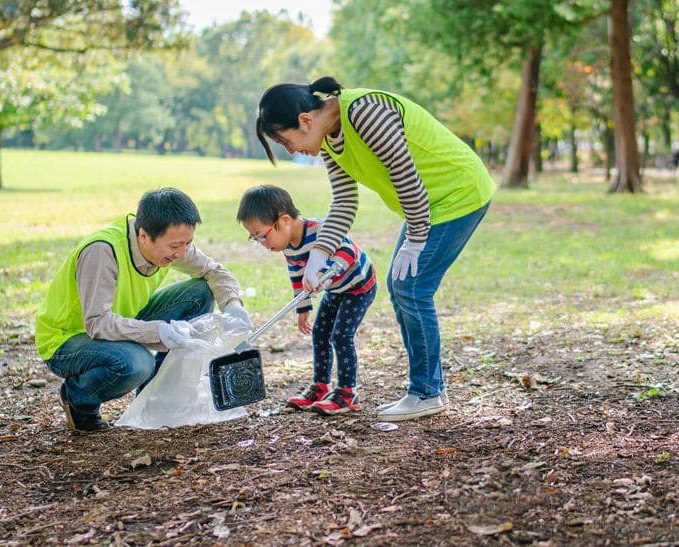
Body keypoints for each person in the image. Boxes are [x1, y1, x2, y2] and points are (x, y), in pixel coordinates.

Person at [255, 77, 494, 422]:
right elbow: (344, 202)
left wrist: (415, 237)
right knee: (403, 290)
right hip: (428, 205)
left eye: (285, 140)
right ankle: (429, 387)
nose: (290, 150)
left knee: (411, 288)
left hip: (457, 193)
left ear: (305, 121)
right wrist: (319, 255)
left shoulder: (365, 113)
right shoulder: (329, 140)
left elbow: (405, 177)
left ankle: (426, 392)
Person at [34, 188, 252, 432]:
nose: (181, 253)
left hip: (121, 320)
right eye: (175, 246)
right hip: (68, 339)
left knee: (200, 291)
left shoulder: (168, 244)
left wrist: (233, 305)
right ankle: (78, 399)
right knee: (136, 364)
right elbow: (97, 323)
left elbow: (214, 271)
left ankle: (156, 396)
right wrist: (156, 331)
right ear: (144, 235)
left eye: (187, 243)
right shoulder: (102, 252)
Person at [237, 185, 377, 415]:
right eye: (254, 238)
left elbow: (348, 250)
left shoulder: (321, 230)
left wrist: (327, 270)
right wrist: (303, 308)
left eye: (262, 236)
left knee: (341, 336)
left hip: (358, 286)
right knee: (320, 333)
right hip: (335, 290)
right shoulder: (288, 246)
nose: (262, 243)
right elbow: (297, 275)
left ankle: (347, 393)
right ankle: (321, 385)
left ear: (283, 221)